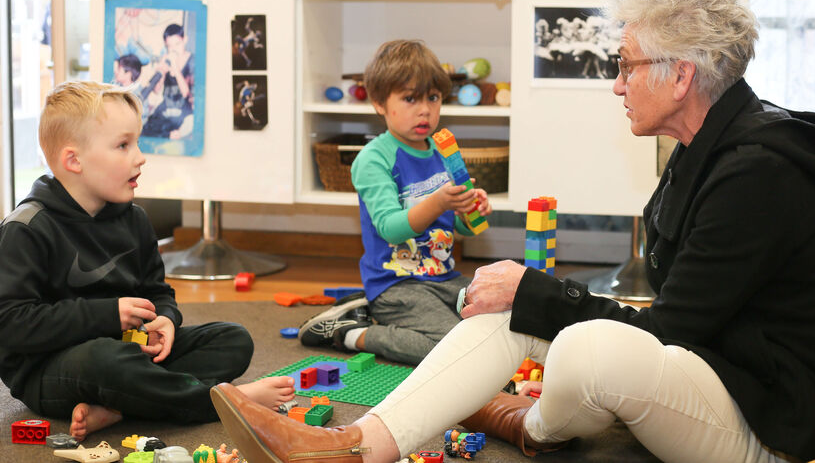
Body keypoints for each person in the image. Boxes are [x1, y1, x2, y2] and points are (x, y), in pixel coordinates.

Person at [208, 0, 815, 463]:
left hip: (768, 426)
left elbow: (671, 328)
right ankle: (356, 446)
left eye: (626, 65)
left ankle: (529, 424)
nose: (616, 82)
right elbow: (685, 312)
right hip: (718, 370)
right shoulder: (701, 147)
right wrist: (529, 296)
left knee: (586, 344)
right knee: (508, 311)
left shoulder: (756, 174)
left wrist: (541, 293)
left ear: (680, 76)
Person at [0, 81, 294, 441]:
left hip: (129, 351)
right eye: (123, 145)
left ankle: (119, 409)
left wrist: (166, 320)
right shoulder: (26, 229)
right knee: (105, 360)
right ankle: (222, 402)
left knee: (233, 339)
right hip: (51, 370)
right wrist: (108, 315)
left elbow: (157, 291)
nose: (140, 157)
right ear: (74, 160)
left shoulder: (134, 218)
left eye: (137, 143)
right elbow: (10, 324)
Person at [298, 39, 492, 366]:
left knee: (496, 318)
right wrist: (439, 201)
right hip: (395, 286)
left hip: (442, 277)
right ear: (378, 103)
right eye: (410, 98)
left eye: (433, 98)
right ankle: (352, 332)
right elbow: (390, 228)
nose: (425, 110)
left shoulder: (443, 151)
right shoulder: (373, 159)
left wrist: (468, 209)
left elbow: (458, 230)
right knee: (453, 351)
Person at [142, 23, 194, 140]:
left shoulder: (191, 61)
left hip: (184, 108)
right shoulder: (166, 59)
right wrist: (161, 71)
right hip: (167, 107)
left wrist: (175, 67)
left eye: (177, 44)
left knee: (189, 125)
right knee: (145, 130)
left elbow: (187, 94)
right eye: (169, 46)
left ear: (185, 40)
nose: (174, 49)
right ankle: (168, 135)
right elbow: (156, 90)